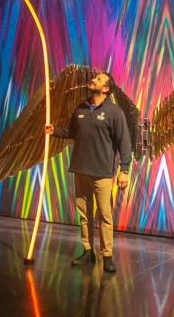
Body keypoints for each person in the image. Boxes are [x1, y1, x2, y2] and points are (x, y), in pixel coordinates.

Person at [45, 71, 131, 273]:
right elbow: (71, 132)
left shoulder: (114, 112)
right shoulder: (81, 108)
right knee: (84, 215)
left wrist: (124, 169)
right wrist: (53, 130)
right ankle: (87, 250)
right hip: (80, 169)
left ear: (106, 89)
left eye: (99, 79)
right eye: (95, 78)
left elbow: (124, 143)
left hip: (102, 172)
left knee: (105, 215)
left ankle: (107, 255)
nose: (93, 80)